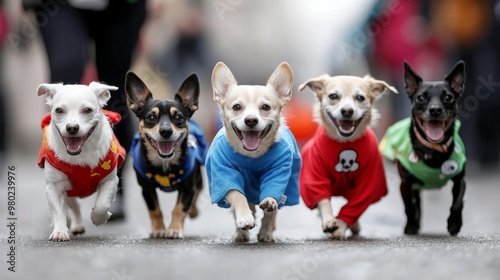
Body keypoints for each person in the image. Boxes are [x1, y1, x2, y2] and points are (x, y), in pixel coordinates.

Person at [24, 0, 147, 220]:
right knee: (65, 69)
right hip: (59, 5)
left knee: (114, 89)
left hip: (120, 9)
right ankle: (59, 183)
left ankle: (113, 184)